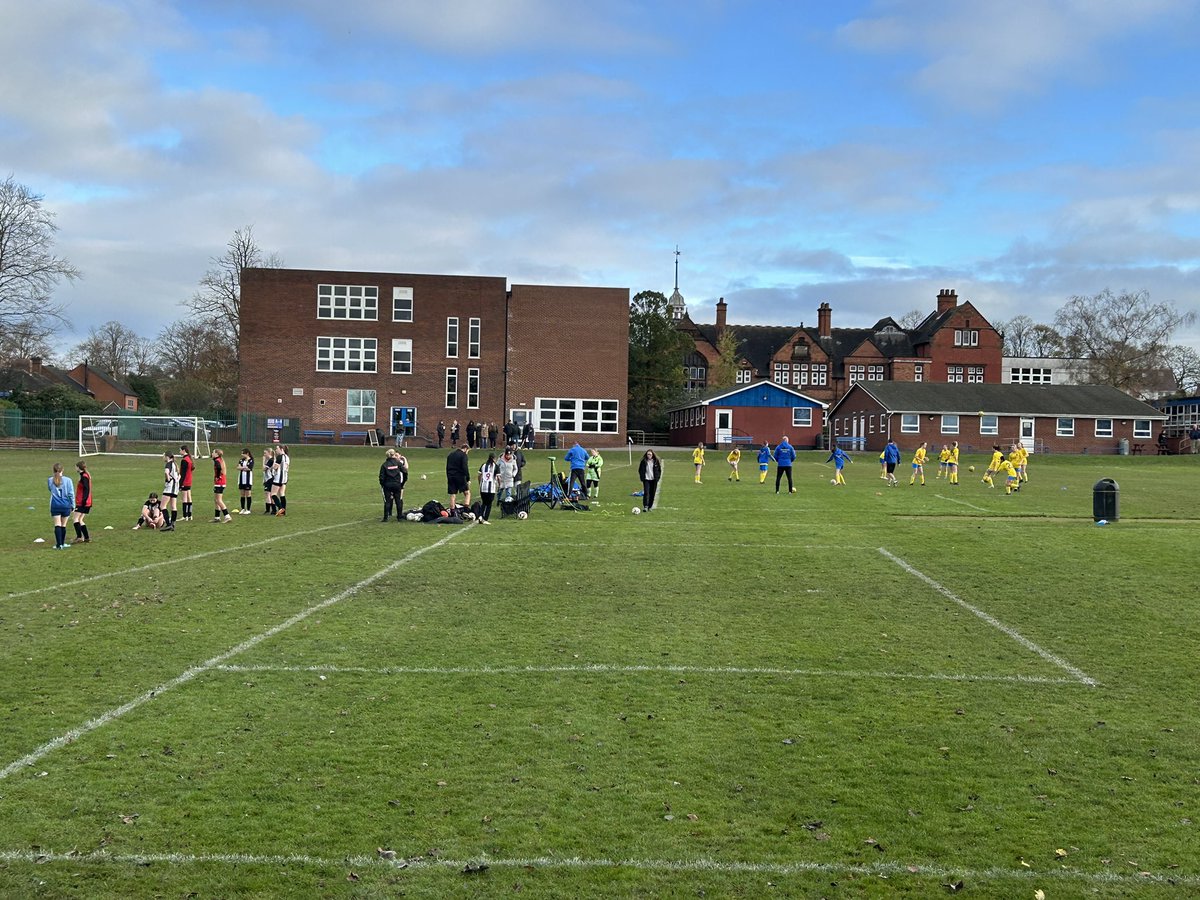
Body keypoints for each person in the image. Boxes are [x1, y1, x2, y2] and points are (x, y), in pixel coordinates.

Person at [48, 462, 75, 549]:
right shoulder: (68, 480)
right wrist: (73, 505)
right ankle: (62, 544)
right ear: (62, 470)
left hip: (55, 505)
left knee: (57, 524)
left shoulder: (50, 480)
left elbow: (50, 489)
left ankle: (59, 545)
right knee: (63, 525)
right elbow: (71, 494)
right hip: (65, 504)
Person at [379, 448, 408, 521]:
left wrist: (383, 484)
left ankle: (385, 518)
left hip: (387, 485)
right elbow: (405, 472)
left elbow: (381, 477)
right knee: (398, 500)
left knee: (387, 501)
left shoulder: (384, 465)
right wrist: (403, 482)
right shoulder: (398, 463)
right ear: (394, 455)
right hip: (397, 484)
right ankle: (399, 517)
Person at [446, 442, 471, 515]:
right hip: (460, 476)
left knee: (453, 495)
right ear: (466, 449)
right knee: (467, 493)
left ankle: (452, 512)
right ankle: (466, 510)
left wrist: (448, 476)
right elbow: (465, 467)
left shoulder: (450, 455)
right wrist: (468, 479)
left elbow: (447, 467)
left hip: (451, 476)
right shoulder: (463, 455)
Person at [72, 460, 93, 544]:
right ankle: (87, 537)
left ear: (78, 467)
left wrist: (84, 500)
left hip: (82, 502)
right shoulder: (85, 475)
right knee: (80, 519)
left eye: (76, 467)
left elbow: (86, 489)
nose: (75, 468)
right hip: (87, 502)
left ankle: (79, 537)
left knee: (75, 519)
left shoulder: (84, 476)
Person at [212, 449, 232, 523]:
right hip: (221, 482)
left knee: (219, 500)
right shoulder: (220, 459)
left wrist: (217, 476)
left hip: (219, 482)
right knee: (216, 500)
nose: (212, 453)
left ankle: (227, 516)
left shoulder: (217, 461)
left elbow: (219, 468)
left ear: (216, 454)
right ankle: (217, 517)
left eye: (213, 452)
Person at [477, 452, 498, 524]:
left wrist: (480, 483)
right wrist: (500, 485)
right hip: (491, 488)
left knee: (484, 503)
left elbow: (479, 475)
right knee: (489, 504)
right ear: (494, 458)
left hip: (483, 487)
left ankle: (480, 516)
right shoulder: (495, 466)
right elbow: (498, 477)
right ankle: (485, 519)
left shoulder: (483, 465)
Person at [162, 451, 179, 529]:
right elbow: (179, 475)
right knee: (173, 506)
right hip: (175, 487)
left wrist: (168, 479)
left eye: (164, 456)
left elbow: (166, 472)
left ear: (167, 457)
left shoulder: (168, 464)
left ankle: (168, 524)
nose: (163, 457)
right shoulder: (175, 464)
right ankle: (173, 524)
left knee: (163, 506)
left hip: (170, 487)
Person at [272, 444, 290, 516]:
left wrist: (273, 464)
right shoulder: (287, 457)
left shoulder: (280, 457)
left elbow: (275, 467)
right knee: (282, 494)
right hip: (285, 478)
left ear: (281, 449)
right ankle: (284, 511)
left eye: (277, 449)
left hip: (278, 478)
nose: (276, 450)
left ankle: (281, 509)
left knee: (273, 494)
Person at [178, 444, 194, 521]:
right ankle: (190, 515)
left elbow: (183, 474)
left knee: (184, 499)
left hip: (185, 481)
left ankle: (185, 516)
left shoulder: (184, 460)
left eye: (180, 450)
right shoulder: (189, 459)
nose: (179, 451)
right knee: (189, 498)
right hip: (189, 481)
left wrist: (180, 484)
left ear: (183, 450)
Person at [237, 448, 255, 514]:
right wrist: (243, 468)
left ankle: (248, 509)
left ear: (247, 453)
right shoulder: (241, 460)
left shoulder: (251, 460)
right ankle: (242, 509)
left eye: (243, 453)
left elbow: (249, 468)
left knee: (248, 494)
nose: (241, 455)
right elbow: (238, 467)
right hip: (241, 479)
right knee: (242, 494)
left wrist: (242, 468)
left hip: (248, 480)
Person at [262, 446, 276, 514]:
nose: (264, 455)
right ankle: (272, 510)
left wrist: (263, 461)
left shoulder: (271, 460)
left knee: (268, 494)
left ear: (269, 453)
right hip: (268, 479)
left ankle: (269, 510)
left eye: (265, 453)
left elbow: (264, 469)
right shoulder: (271, 460)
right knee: (269, 494)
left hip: (270, 479)